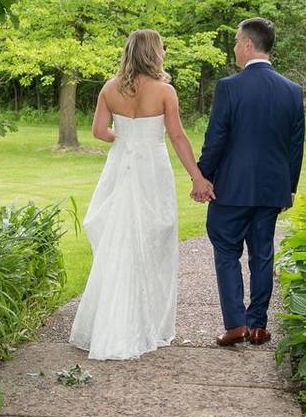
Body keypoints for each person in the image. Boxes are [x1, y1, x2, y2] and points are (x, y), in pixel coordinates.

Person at [68, 29, 214, 360]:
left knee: (121, 240)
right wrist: (198, 178)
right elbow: (177, 136)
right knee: (155, 239)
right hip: (152, 169)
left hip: (121, 166)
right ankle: (150, 323)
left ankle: (116, 319)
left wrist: (122, 139)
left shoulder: (110, 88)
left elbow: (98, 131)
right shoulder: (165, 91)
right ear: (153, 53)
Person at [194, 18, 306, 348]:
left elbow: (216, 138)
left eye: (234, 42)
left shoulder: (229, 87)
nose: (234, 49)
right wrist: (290, 188)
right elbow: (295, 145)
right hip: (272, 189)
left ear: (247, 44)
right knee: (262, 254)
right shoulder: (292, 91)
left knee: (226, 250)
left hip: (232, 188)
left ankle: (235, 324)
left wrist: (203, 176)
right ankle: (258, 325)